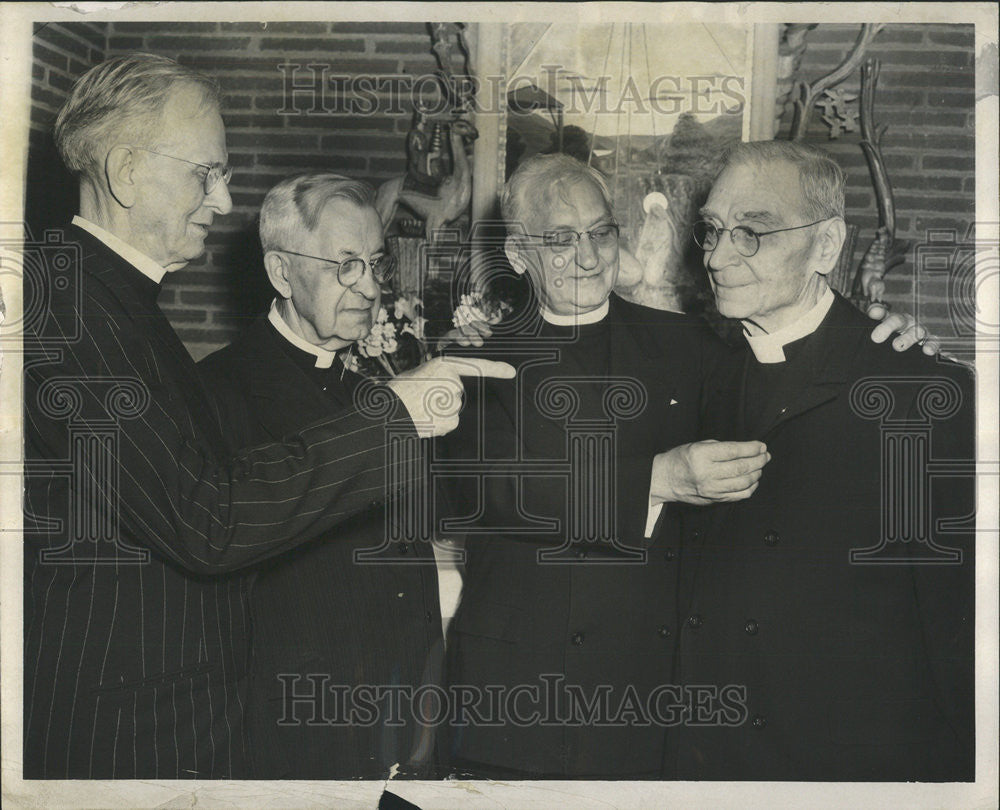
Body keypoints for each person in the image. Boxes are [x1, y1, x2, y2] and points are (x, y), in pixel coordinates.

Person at [23, 54, 511, 779]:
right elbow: (209, 519)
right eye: (206, 174)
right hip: (130, 734)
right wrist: (392, 418)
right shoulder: (76, 312)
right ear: (126, 171)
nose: (223, 202)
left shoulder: (115, 302)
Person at [435, 153, 930, 779]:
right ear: (517, 254)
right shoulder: (472, 364)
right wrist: (658, 479)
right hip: (516, 698)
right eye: (560, 241)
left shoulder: (688, 344)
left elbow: (790, 382)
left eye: (601, 233)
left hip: (646, 697)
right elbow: (496, 491)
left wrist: (887, 341)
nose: (587, 257)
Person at [666, 140, 974, 781]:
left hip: (844, 769)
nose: (719, 258)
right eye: (713, 230)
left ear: (827, 246)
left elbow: (958, 634)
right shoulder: (694, 373)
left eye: (753, 233)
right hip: (704, 762)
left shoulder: (916, 392)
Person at [197, 174, 444, 779]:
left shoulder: (373, 393)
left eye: (375, 264)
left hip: (398, 721)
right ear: (281, 274)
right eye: (346, 266)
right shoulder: (217, 392)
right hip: (292, 733)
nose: (370, 287)